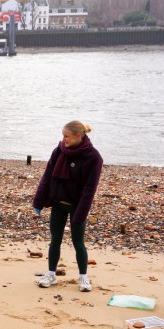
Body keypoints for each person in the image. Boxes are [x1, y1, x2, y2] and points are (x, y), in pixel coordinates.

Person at [32, 121, 103, 292]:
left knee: (78, 242)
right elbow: (47, 176)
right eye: (62, 136)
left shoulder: (94, 157)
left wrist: (80, 215)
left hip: (78, 206)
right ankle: (51, 274)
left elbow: (89, 190)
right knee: (55, 240)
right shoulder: (59, 151)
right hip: (58, 204)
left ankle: (83, 278)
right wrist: (38, 201)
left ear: (78, 136)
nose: (63, 140)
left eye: (66, 136)